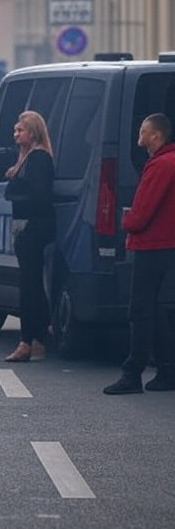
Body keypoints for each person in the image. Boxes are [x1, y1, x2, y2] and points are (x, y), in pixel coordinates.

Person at [104, 113, 175, 394]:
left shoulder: (160, 165)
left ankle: (133, 373)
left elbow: (143, 210)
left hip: (152, 243)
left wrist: (127, 223)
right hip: (165, 242)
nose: (139, 135)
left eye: (143, 131)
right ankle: (167, 370)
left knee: (140, 309)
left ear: (155, 135)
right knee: (155, 308)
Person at [3, 111, 56, 363]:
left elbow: (39, 194)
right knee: (32, 284)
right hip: (26, 225)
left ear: (33, 132)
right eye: (15, 130)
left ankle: (27, 340)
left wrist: (13, 192)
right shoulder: (25, 159)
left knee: (29, 285)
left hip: (33, 227)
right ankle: (39, 336)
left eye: (20, 130)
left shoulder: (38, 158)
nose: (16, 135)